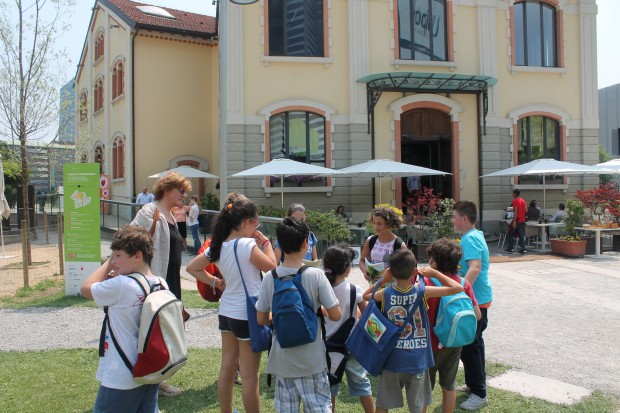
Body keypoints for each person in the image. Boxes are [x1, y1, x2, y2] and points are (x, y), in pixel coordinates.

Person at [186, 197, 277, 413]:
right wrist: (265, 243)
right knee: (249, 376)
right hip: (247, 314)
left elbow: (192, 268)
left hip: (227, 312)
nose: (257, 227)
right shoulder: (247, 245)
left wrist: (217, 282)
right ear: (246, 222)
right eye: (255, 223)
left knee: (227, 367)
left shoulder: (218, 245)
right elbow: (272, 267)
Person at [256, 217, 341, 413]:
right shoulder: (315, 275)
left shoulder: (271, 277)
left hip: (282, 362)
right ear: (305, 243)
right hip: (312, 361)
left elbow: (261, 319)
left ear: (280, 245)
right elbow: (336, 315)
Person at [364, 249, 464, 413]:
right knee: (418, 406)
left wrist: (383, 279)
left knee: (382, 405)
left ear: (391, 271)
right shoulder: (423, 292)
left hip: (391, 360)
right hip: (417, 361)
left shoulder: (386, 293)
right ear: (415, 271)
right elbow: (458, 288)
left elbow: (365, 296)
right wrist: (435, 274)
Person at [80, 225, 160, 413]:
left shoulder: (122, 284)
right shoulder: (160, 282)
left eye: (117, 255)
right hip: (151, 368)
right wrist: (118, 264)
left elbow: (85, 288)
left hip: (121, 373)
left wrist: (108, 264)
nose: (114, 261)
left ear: (137, 256)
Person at [131, 172, 190, 397]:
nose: (184, 195)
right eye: (180, 191)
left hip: (169, 283)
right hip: (154, 285)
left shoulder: (172, 215)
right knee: (153, 333)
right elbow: (130, 239)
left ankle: (158, 378)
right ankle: (153, 381)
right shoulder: (150, 211)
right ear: (166, 190)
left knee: (164, 332)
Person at [421, 238, 481, 413]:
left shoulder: (427, 283)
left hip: (430, 345)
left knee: (424, 389)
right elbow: (477, 315)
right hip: (453, 342)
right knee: (449, 385)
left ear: (434, 261)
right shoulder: (462, 283)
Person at [451, 201, 493, 411]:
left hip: (475, 299)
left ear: (464, 219)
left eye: (454, 217)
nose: (452, 220)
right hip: (477, 297)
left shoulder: (470, 239)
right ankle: (475, 384)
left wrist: (461, 291)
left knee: (470, 346)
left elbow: (475, 268)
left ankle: (479, 393)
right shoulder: (471, 237)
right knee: (474, 343)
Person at [322, 245, 374, 413]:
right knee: (361, 382)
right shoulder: (354, 290)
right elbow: (366, 315)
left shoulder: (320, 288)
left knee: (331, 385)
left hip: (328, 345)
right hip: (352, 345)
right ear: (347, 268)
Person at [358, 206, 408, 282]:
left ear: (389, 224)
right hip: (374, 288)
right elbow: (362, 261)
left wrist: (390, 276)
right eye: (374, 223)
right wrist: (365, 271)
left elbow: (406, 269)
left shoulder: (399, 245)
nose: (375, 226)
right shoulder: (371, 240)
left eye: (379, 224)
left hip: (392, 290)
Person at [505, 188, 527, 254]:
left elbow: (516, 211)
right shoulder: (523, 200)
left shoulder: (515, 201)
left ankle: (510, 248)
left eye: (513, 193)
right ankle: (523, 248)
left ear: (514, 194)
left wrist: (514, 221)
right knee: (521, 235)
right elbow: (526, 210)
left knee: (510, 233)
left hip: (517, 219)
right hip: (522, 219)